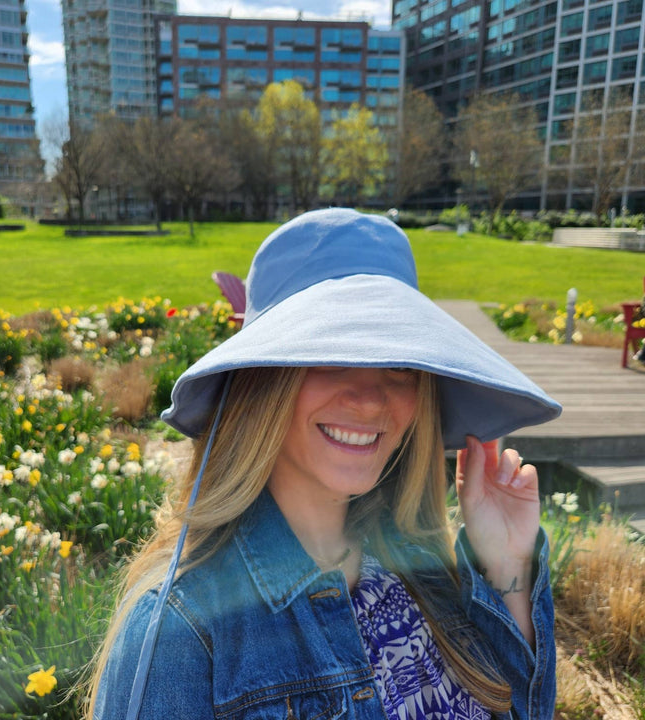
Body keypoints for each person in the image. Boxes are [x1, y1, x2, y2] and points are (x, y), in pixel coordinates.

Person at [86, 208, 562, 720]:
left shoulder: (417, 571)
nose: (371, 399)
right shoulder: (183, 631)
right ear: (262, 382)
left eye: (398, 365)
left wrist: (508, 564)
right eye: (332, 354)